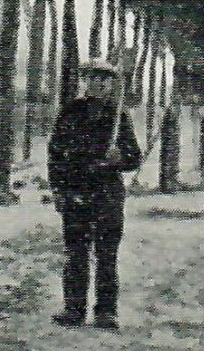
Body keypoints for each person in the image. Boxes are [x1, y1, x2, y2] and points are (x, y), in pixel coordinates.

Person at [46, 59, 143, 330]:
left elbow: (134, 158)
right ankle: (73, 309)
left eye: (104, 79)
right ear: (84, 81)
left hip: (107, 195)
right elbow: (55, 155)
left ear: (112, 85)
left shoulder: (118, 117)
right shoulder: (70, 113)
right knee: (76, 252)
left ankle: (106, 312)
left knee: (106, 254)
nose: (98, 84)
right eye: (92, 78)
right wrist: (59, 189)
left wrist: (118, 158)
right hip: (76, 191)